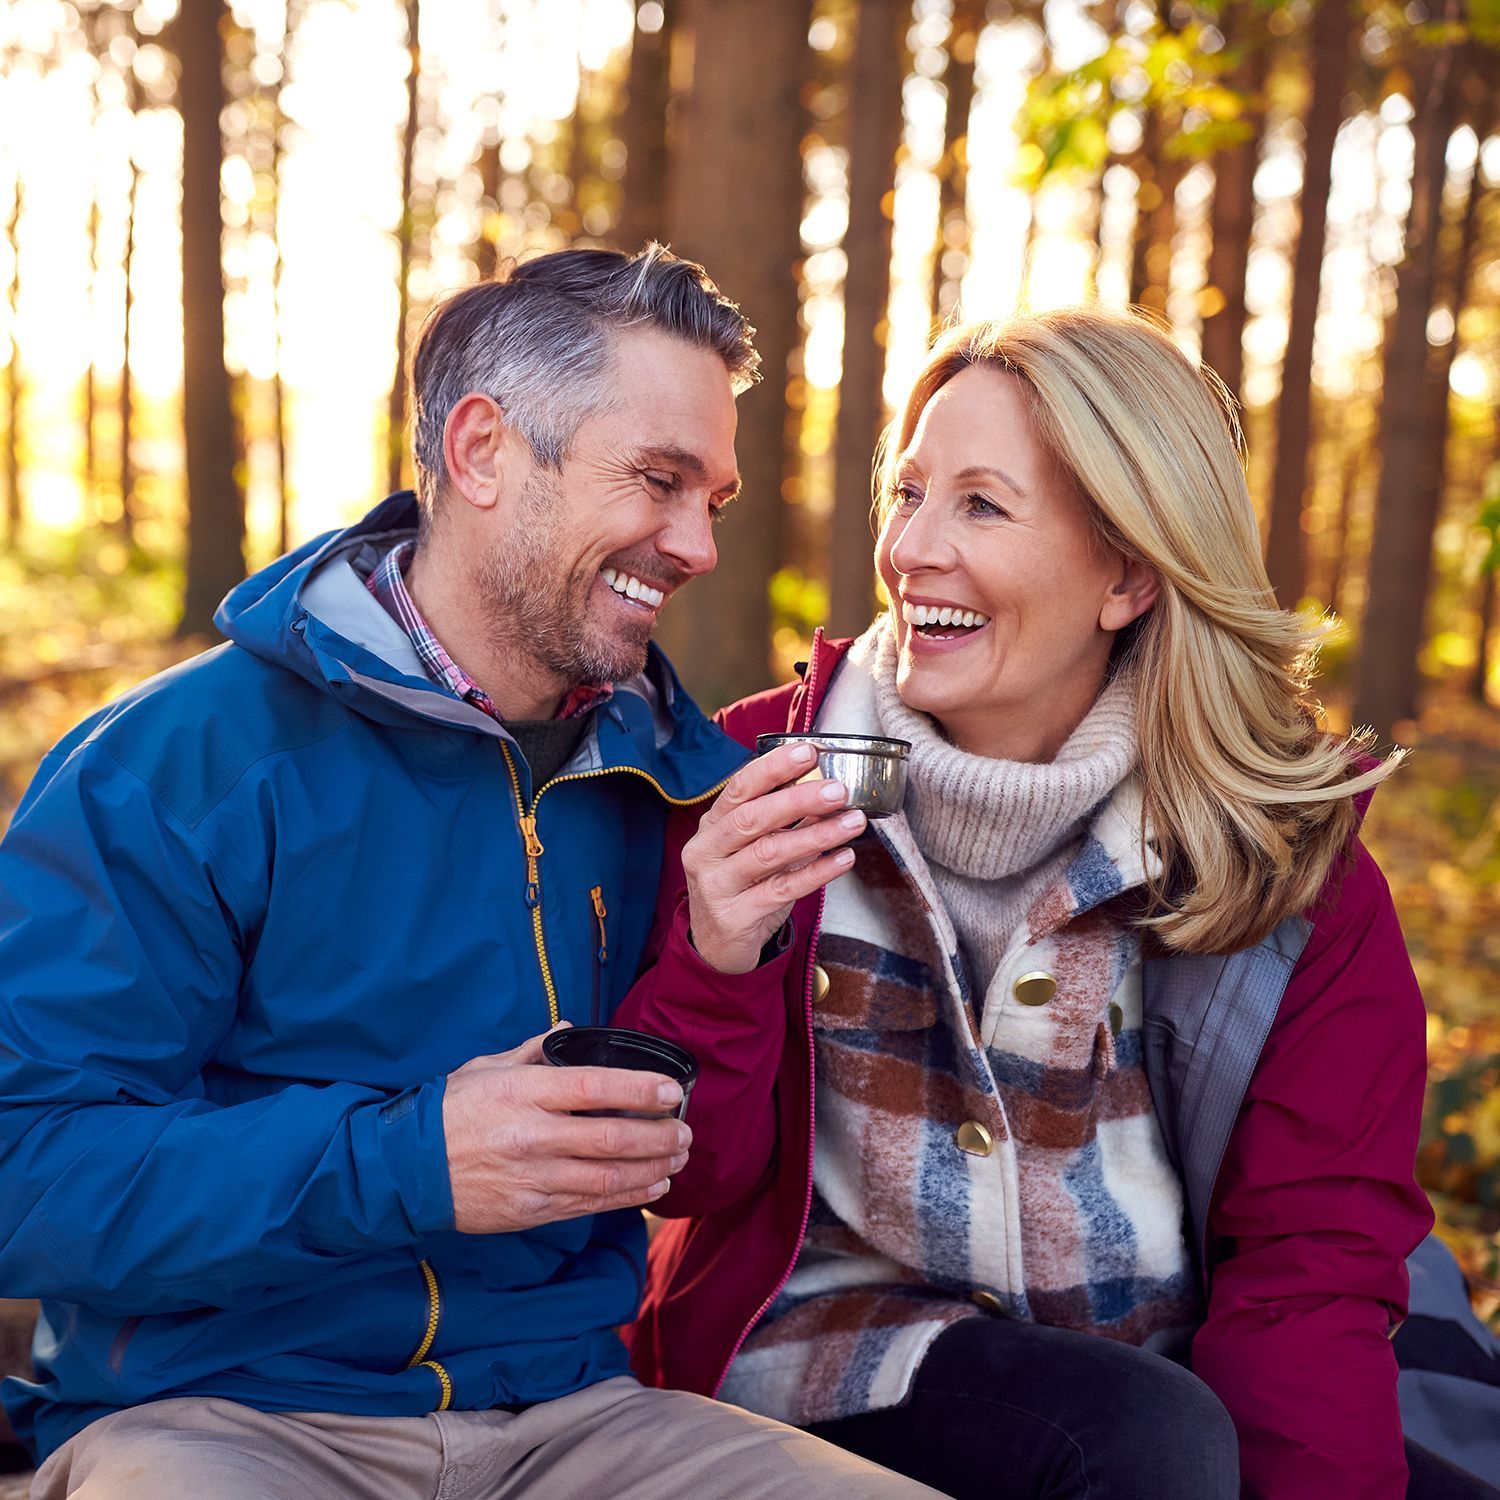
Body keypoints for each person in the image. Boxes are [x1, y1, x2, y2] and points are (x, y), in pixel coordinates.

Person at [0, 246, 941, 1500]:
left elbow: (703, 1174)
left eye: (710, 498)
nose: (697, 544)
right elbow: (29, 1170)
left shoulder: (665, 776)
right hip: (216, 1420)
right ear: (483, 450)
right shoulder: (179, 765)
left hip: (575, 1421)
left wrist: (719, 955)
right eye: (657, 481)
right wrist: (409, 1160)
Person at [613, 307, 1466, 1499]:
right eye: (908, 494)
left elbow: (1308, 1264)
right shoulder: (754, 779)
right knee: (1145, 1439)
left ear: (1126, 574)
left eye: (982, 505)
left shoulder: (1282, 863)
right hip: (834, 1357)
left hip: (1171, 1349)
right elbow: (685, 1181)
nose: (912, 549)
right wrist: (720, 957)